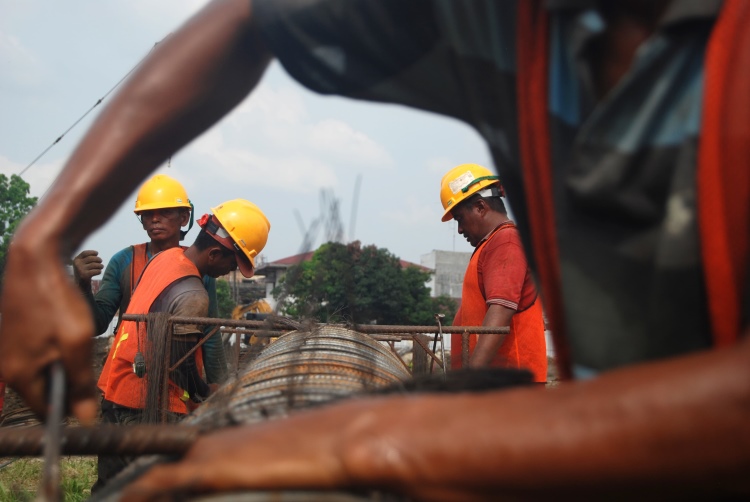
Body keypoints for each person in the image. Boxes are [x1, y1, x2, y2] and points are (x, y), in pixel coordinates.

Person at [0, 0, 748, 499]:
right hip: (133, 402)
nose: (455, 227)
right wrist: (45, 240)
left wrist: (385, 431)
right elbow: (253, 18)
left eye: (459, 215)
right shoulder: (531, 27)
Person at [93, 198, 270, 492]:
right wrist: (204, 393)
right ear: (215, 253)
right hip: (149, 408)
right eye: (232, 263)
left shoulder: (164, 258)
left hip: (116, 392)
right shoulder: (193, 295)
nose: (229, 271)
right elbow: (178, 363)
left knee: (110, 489)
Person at [73, 173, 230, 385]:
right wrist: (83, 285)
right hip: (130, 379)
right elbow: (97, 324)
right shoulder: (124, 262)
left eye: (165, 212)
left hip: (180, 382)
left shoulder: (199, 269)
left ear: (184, 218)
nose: (155, 219)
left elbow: (210, 334)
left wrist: (220, 389)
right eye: (147, 214)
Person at [441, 163, 546, 381]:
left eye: (459, 218)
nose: (459, 229)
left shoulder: (506, 241)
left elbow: (499, 315)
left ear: (480, 207)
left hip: (509, 388)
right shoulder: (492, 244)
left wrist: (469, 381)